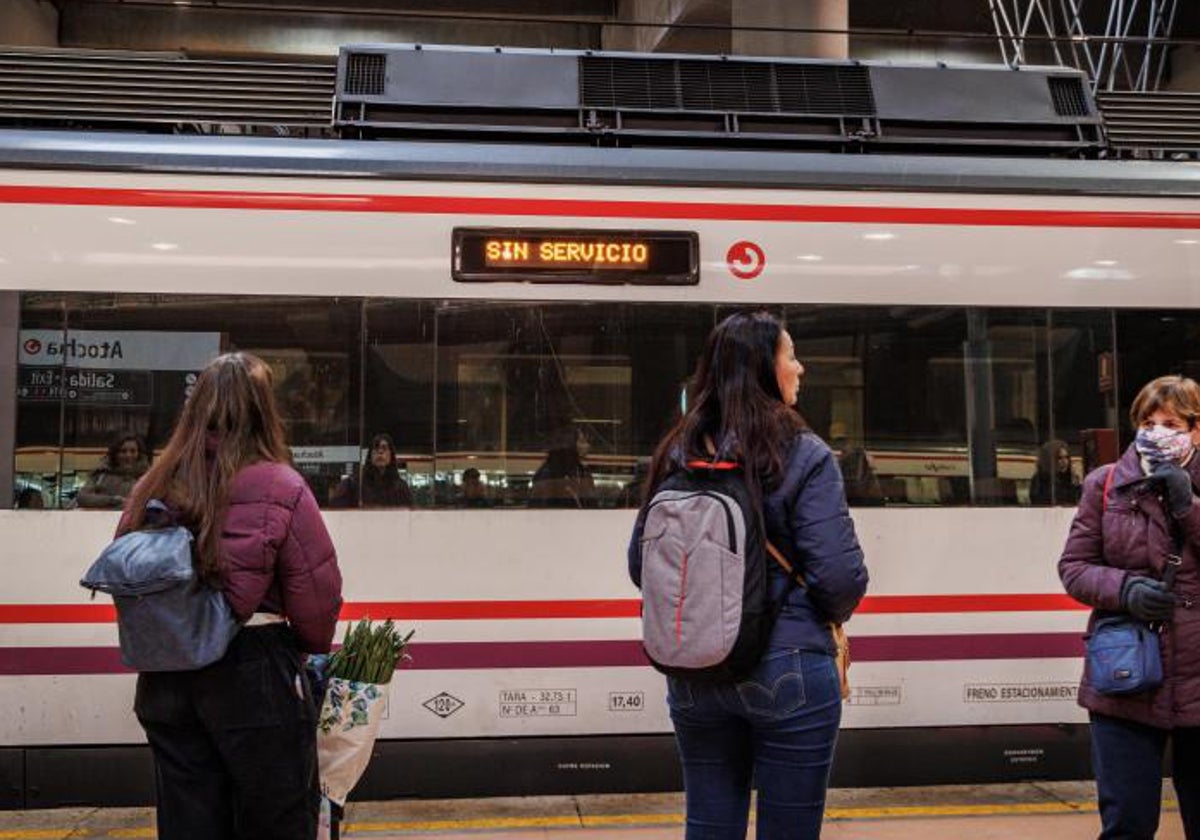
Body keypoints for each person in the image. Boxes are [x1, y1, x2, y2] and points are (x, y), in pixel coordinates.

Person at [628, 310, 868, 840]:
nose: (800, 367)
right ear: (764, 368)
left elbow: (640, 564)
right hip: (789, 666)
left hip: (695, 671)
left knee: (709, 827)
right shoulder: (803, 453)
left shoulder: (678, 451)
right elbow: (840, 577)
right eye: (790, 355)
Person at [117, 352, 343, 840]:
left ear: (195, 409)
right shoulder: (282, 484)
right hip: (252, 669)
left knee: (189, 823)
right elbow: (317, 600)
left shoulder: (154, 482)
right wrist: (309, 649)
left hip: (167, 676)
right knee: (276, 819)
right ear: (264, 410)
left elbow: (128, 568)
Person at [1059, 374, 1200, 840]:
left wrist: (1187, 504)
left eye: (1172, 422)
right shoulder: (1106, 486)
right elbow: (1075, 567)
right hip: (1126, 680)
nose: (1157, 431)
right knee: (1127, 824)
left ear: (1196, 430)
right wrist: (1126, 589)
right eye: (1147, 420)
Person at [331, 433, 413, 508]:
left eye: (384, 448)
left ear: (391, 455)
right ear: (370, 455)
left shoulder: (401, 488)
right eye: (376, 448)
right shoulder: (353, 484)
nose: (380, 452)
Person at [75, 433, 150, 509]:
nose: (128, 455)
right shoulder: (101, 475)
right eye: (123, 451)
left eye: (133, 451)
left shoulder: (148, 478)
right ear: (115, 454)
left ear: (139, 453)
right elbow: (82, 497)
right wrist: (112, 500)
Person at [529, 426, 596, 508]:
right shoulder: (549, 474)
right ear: (570, 445)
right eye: (582, 442)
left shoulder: (581, 471)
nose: (587, 446)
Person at [1029, 438, 1080, 506]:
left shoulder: (1070, 479)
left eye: (1066, 457)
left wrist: (1076, 485)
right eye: (1059, 458)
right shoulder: (1040, 480)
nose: (1064, 462)